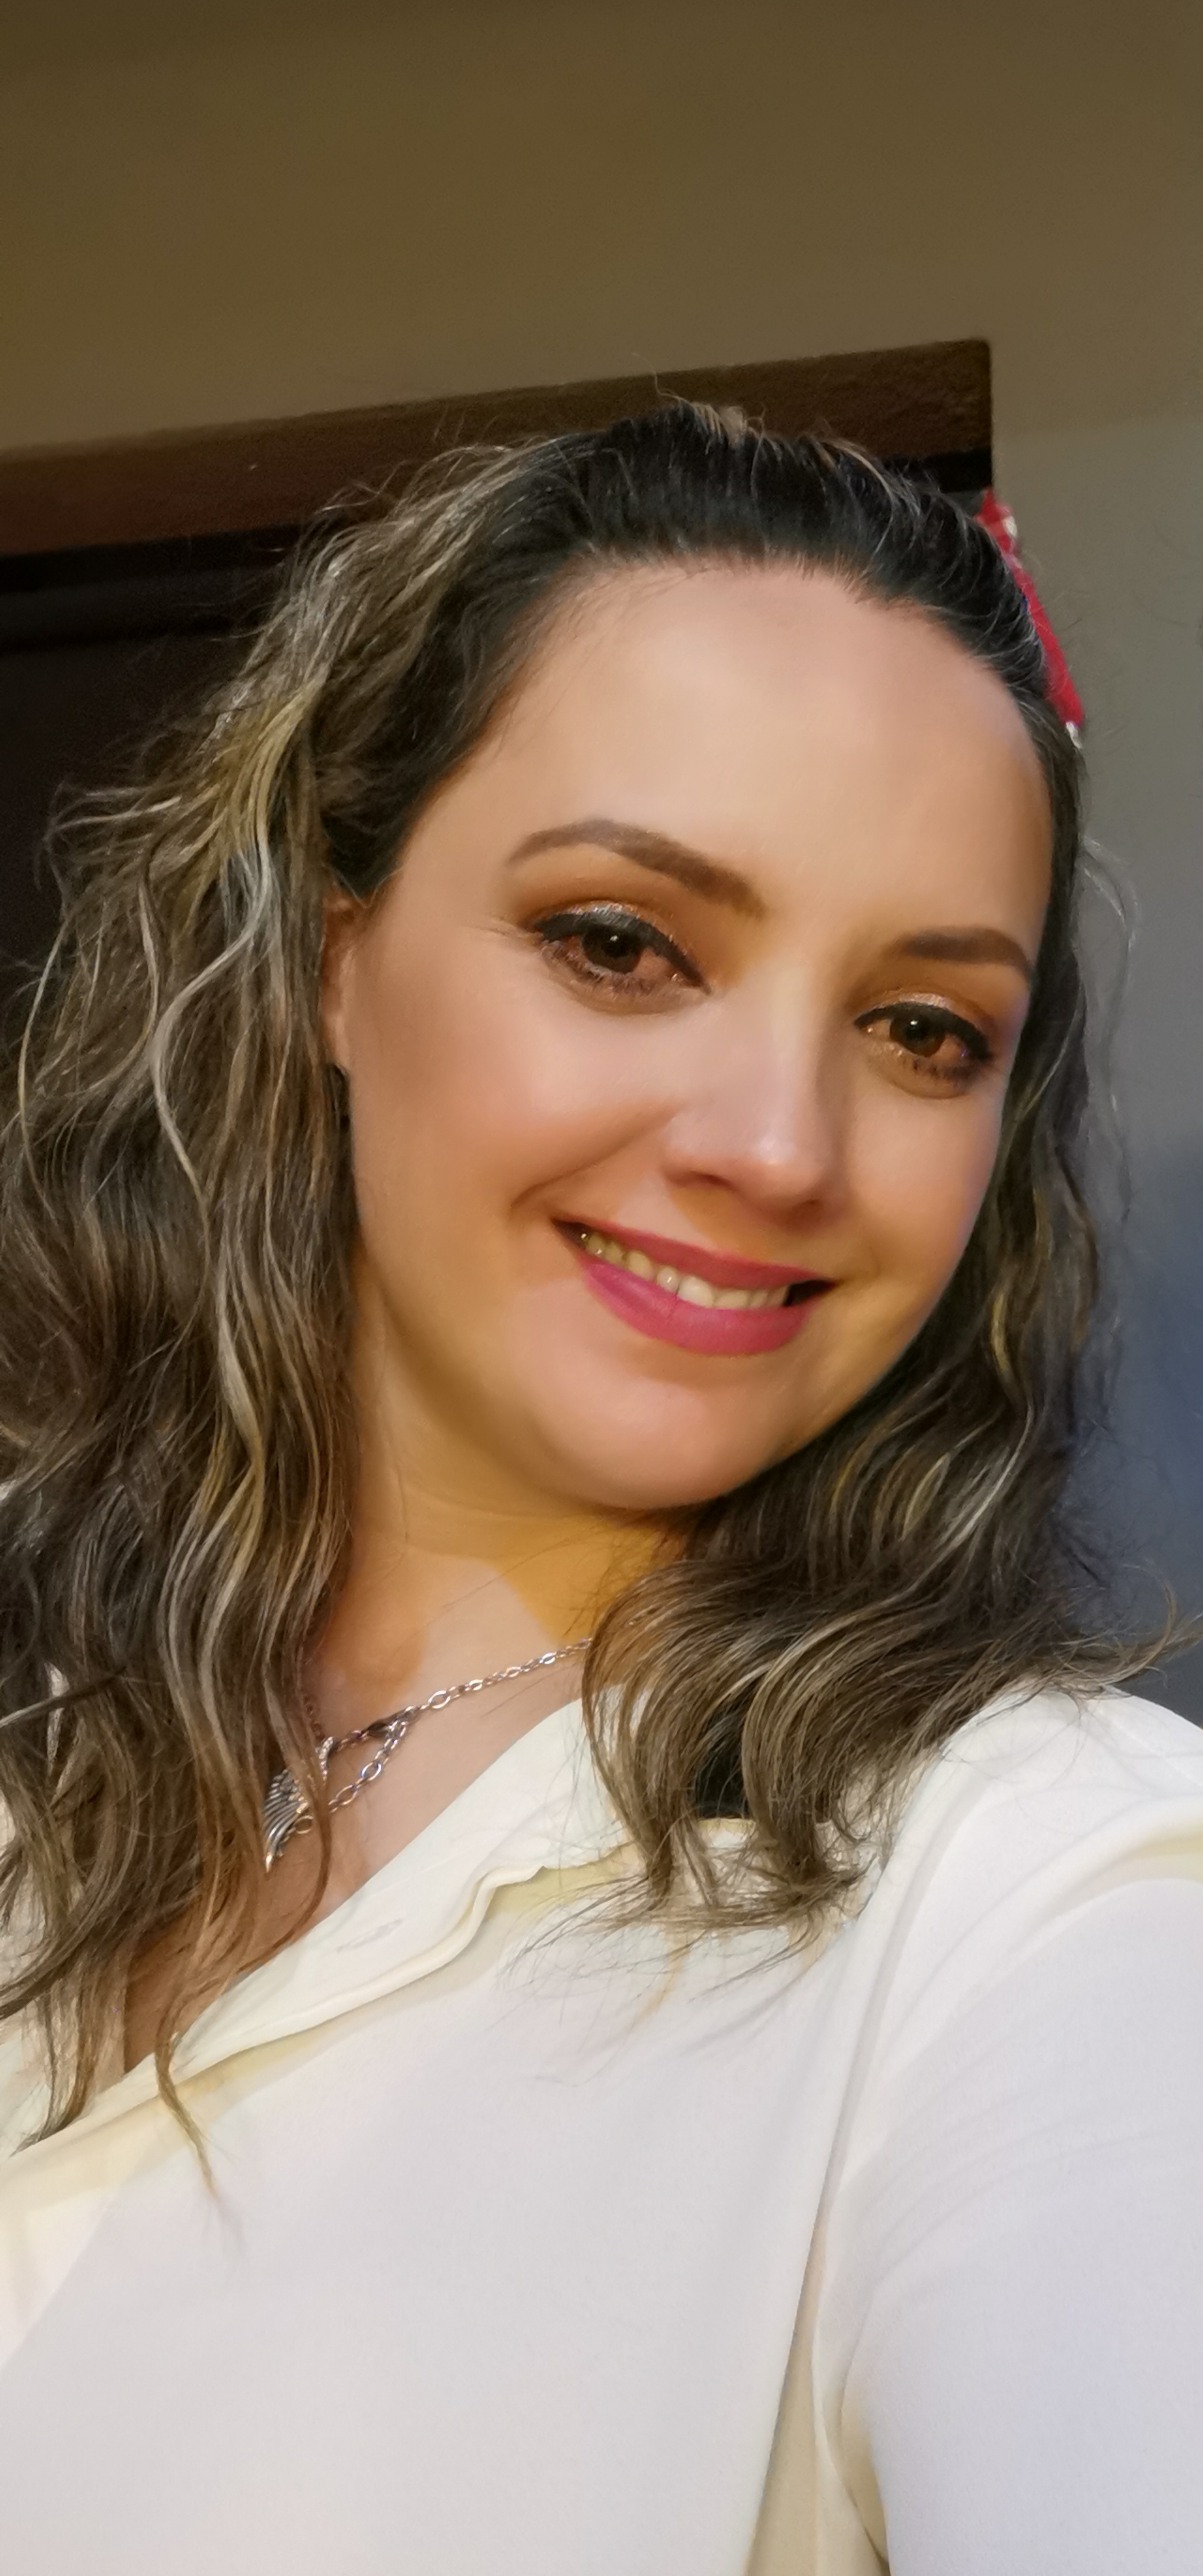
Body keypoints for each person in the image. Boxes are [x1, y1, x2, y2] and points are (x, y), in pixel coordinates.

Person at [0, 405, 1199, 2574]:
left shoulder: (1045, 1898)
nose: (776, 1145)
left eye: (921, 1029)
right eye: (622, 943)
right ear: (332, 950)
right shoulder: (47, 1796)